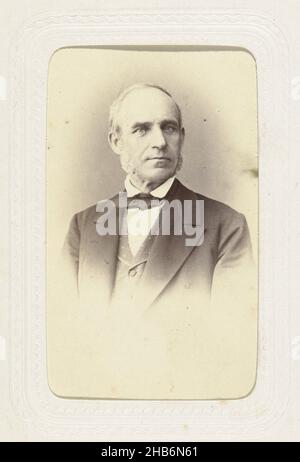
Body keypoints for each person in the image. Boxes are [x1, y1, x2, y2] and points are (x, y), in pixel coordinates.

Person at [58, 83, 257, 399]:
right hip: (97, 397)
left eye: (169, 128)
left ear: (182, 136)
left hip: (183, 398)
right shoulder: (82, 227)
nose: (160, 142)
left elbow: (232, 342)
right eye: (142, 130)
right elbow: (61, 333)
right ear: (115, 140)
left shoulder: (226, 226)